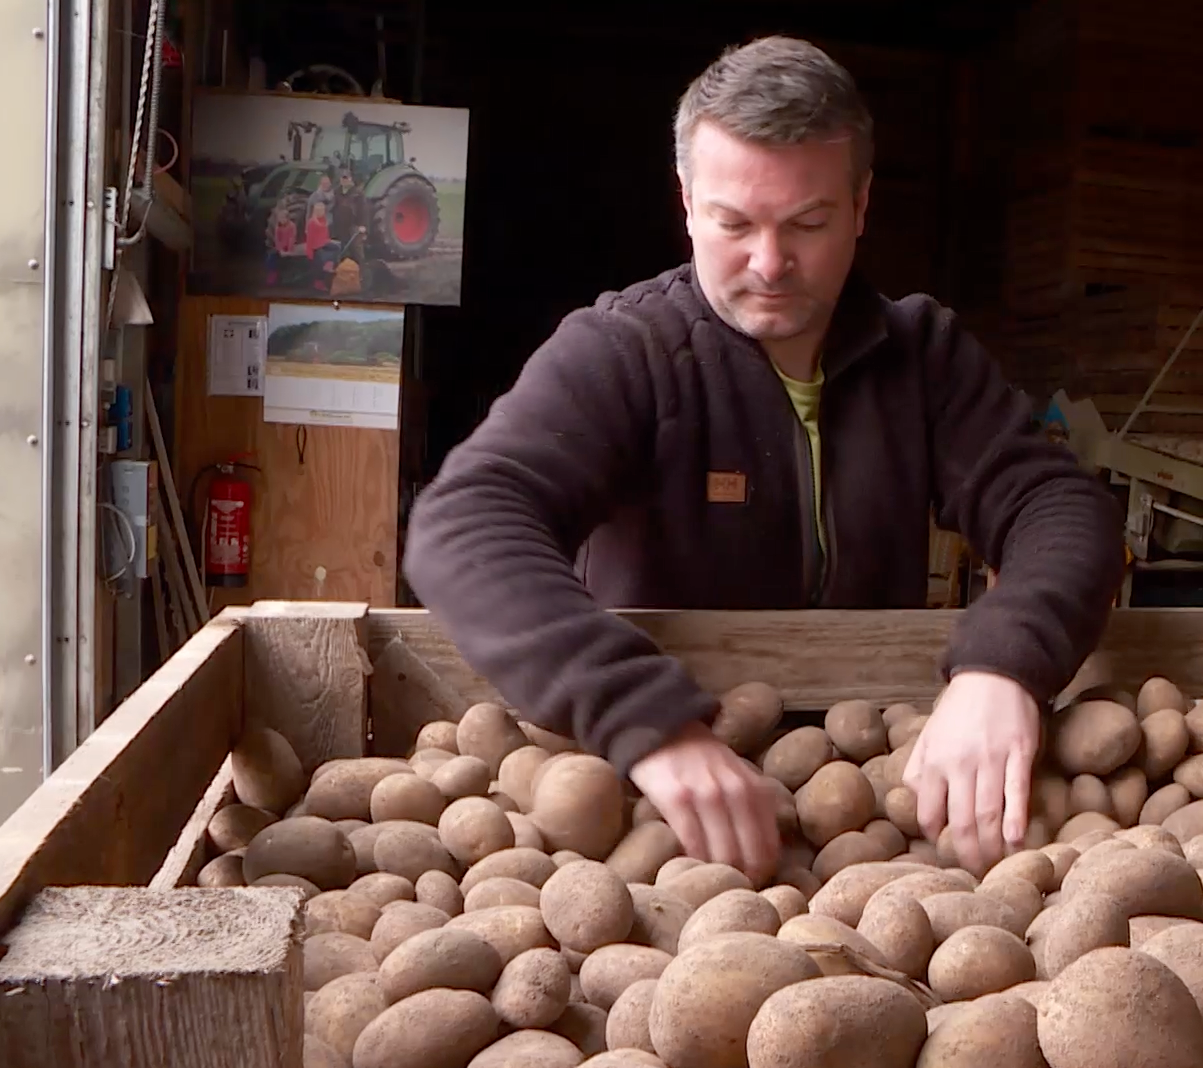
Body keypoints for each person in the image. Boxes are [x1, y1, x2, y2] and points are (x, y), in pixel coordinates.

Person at [402, 35, 1125, 880]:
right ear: (685, 201)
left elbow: (1060, 506)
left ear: (860, 206)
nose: (770, 263)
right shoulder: (624, 352)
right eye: (734, 223)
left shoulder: (922, 354)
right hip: (661, 798)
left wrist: (1004, 669)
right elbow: (464, 524)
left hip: (880, 791)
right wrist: (648, 723)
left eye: (809, 224)